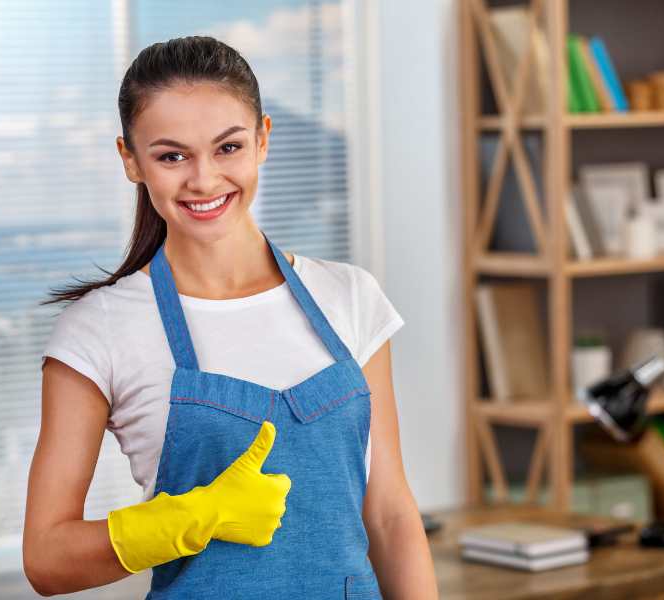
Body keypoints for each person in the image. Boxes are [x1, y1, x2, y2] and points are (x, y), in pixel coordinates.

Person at [23, 35, 438, 599]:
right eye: (172, 156)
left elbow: (389, 516)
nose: (203, 180)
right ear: (130, 160)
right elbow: (46, 559)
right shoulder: (100, 330)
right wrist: (197, 517)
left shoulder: (349, 298)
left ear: (263, 139)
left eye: (228, 148)